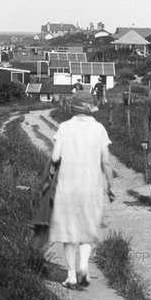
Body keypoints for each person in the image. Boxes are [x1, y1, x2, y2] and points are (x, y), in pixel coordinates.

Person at [49, 86, 114, 289]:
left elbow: (55, 157)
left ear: (74, 108)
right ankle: (84, 266)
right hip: (91, 186)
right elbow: (106, 161)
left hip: (68, 185)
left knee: (69, 231)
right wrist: (110, 185)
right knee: (87, 227)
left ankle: (71, 275)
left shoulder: (64, 127)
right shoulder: (99, 128)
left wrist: (51, 171)